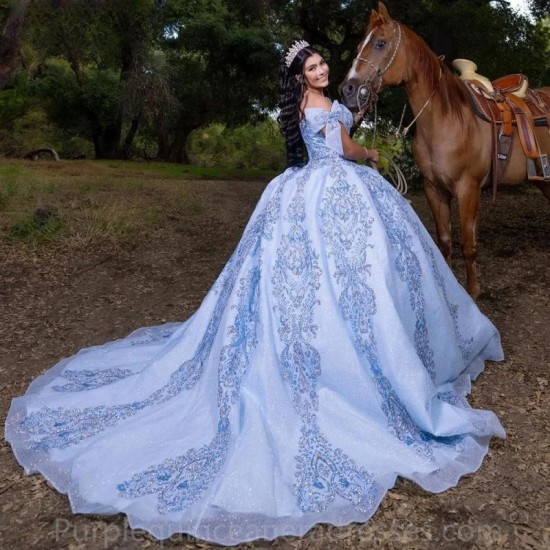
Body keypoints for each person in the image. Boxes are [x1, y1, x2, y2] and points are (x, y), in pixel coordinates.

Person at [5, 40, 505, 546]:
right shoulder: (329, 108)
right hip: (337, 189)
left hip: (297, 189)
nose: (322, 69)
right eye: (313, 67)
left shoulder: (299, 111)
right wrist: (370, 151)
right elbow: (343, 151)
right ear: (300, 77)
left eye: (322, 62)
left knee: (299, 281)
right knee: (363, 271)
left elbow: (316, 146)